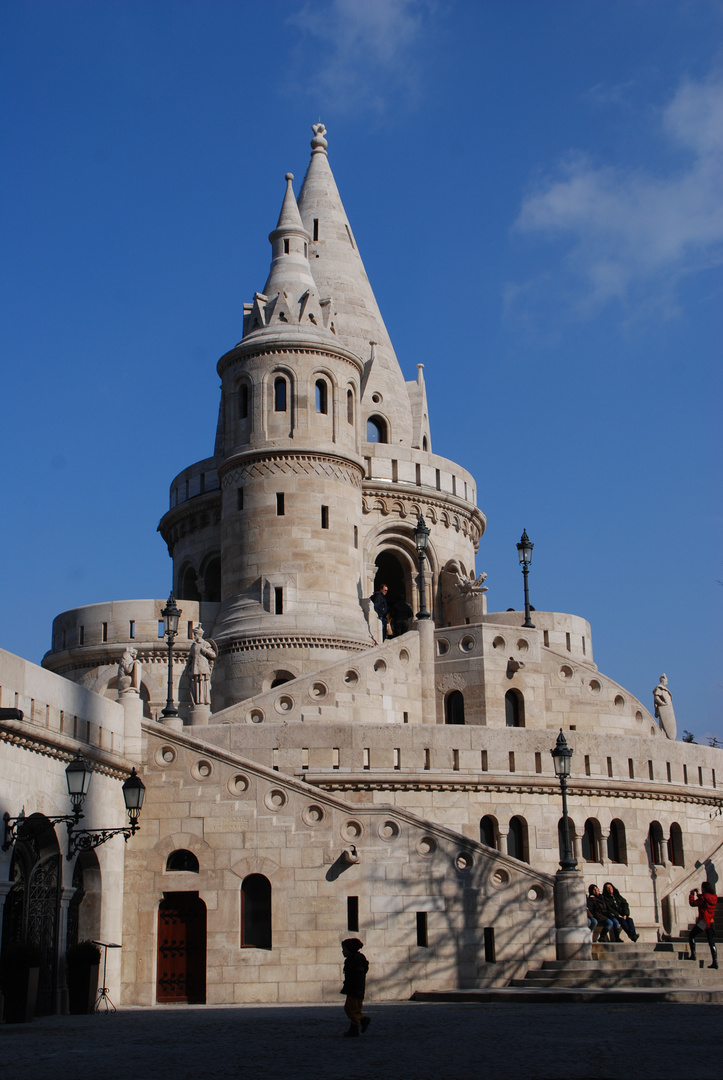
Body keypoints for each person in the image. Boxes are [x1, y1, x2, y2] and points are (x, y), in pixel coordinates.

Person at [340, 937, 370, 1037]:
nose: (343, 952)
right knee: (352, 1008)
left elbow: (358, 977)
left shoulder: (356, 960)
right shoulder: (352, 960)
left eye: (344, 949)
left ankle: (359, 1022)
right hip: (353, 989)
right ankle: (358, 1024)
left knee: (350, 1008)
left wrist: (356, 989)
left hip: (355, 990)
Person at [688, 881, 718, 968]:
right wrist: (699, 894)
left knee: (692, 935)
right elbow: (705, 900)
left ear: (704, 888)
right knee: (711, 942)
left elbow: (693, 903)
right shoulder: (714, 897)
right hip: (711, 921)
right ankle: (715, 962)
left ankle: (693, 955)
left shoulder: (703, 898)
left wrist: (692, 895)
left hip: (704, 922)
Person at [187, 625, 218, 706]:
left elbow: (213, 655)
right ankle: (198, 700)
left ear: (200, 635)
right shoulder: (193, 645)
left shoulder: (205, 644)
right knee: (196, 683)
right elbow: (190, 657)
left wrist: (205, 650)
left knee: (203, 682)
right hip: (195, 665)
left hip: (203, 665)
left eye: (196, 634)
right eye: (194, 634)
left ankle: (204, 700)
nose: (194, 636)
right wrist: (188, 668)